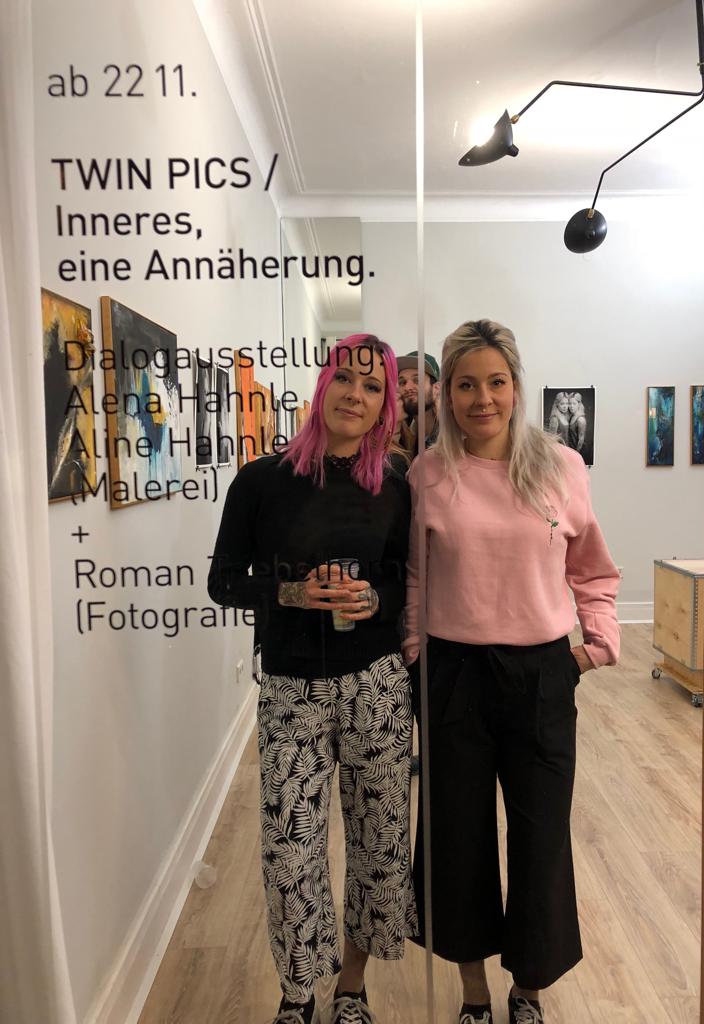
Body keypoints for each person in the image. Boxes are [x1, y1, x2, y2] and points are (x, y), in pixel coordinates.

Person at [403, 320, 620, 1024]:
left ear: (517, 386)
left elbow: (592, 569)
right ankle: (474, 995)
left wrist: (596, 646)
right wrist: (415, 654)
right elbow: (415, 579)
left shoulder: (562, 467)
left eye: (496, 382)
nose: (482, 399)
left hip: (541, 674)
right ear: (446, 393)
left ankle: (527, 992)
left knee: (540, 837)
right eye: (466, 384)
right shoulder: (427, 473)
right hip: (453, 675)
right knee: (457, 838)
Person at [208, 334, 416, 1024]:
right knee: (290, 851)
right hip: (291, 689)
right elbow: (222, 582)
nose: (357, 394)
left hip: (377, 686)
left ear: (386, 404)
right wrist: (294, 593)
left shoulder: (395, 487)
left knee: (380, 842)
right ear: (324, 384)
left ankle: (351, 987)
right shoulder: (260, 481)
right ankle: (298, 995)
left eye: (373, 385)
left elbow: (401, 581)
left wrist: (374, 599)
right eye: (346, 378)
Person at [396, 350, 440, 455]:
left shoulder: (453, 435)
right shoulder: (405, 437)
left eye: (417, 380)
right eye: (402, 382)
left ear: (436, 389)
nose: (407, 387)